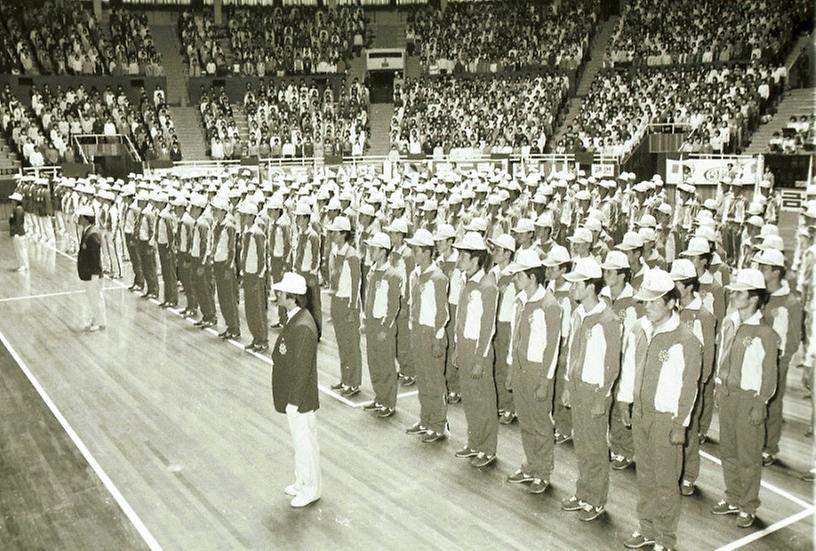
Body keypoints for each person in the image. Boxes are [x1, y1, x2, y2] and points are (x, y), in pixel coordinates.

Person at [619, 269, 702, 551]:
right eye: (645, 301)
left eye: (654, 302)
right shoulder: (639, 329)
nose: (647, 307)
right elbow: (629, 366)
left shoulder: (686, 339)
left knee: (666, 482)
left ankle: (666, 539)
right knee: (645, 476)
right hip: (641, 413)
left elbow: (689, 387)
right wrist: (624, 399)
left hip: (666, 420)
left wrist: (680, 423)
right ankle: (647, 529)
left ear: (670, 302)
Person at [712, 268, 779, 528]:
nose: (733, 296)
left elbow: (769, 374)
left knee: (748, 455)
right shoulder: (730, 322)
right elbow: (722, 357)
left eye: (739, 293)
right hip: (728, 396)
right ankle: (733, 496)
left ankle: (748, 505)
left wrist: (760, 402)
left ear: (753, 298)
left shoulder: (765, 333)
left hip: (749, 401)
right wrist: (719, 384)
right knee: (728, 450)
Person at [561, 256, 621, 522]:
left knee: (596, 446)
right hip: (577, 387)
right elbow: (573, 350)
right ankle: (583, 491)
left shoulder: (609, 320)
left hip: (596, 392)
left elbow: (612, 364)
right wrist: (566, 383)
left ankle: (596, 499)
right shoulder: (578, 314)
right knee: (582, 444)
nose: (572, 288)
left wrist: (603, 395)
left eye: (577, 284)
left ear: (591, 286)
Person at [504, 249, 562, 494]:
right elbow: (514, 336)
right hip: (519, 368)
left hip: (537, 371)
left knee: (540, 422)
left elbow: (554, 346)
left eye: (519, 275)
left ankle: (543, 470)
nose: (515, 279)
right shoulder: (521, 300)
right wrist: (510, 366)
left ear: (531, 276)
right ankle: (531, 464)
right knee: (526, 420)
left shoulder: (549, 305)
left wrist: (545, 381)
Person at [271, 272, 321, 509]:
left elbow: (301, 369)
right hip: (296, 398)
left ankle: (311, 489)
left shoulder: (302, 326)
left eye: (281, 291)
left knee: (305, 444)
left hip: (300, 399)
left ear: (291, 297)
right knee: (300, 443)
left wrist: (293, 401)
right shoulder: (296, 318)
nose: (278, 294)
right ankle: (302, 481)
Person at [451, 232, 499, 468]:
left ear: (476, 259)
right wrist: (459, 347)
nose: (459, 259)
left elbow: (487, 326)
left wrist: (480, 357)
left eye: (463, 255)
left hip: (480, 349)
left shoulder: (488, 286)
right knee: (470, 398)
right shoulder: (466, 281)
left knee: (483, 399)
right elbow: (461, 318)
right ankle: (474, 441)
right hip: (466, 346)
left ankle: (487, 447)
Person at [754, 248, 802, 467]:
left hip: (776, 360)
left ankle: (770, 446)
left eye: (763, 267)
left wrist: (782, 361)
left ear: (775, 272)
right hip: (755, 356)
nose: (759, 270)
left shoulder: (790, 302)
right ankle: (754, 440)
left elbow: (793, 338)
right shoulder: (759, 295)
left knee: (772, 401)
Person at [404, 228, 450, 443]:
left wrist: (438, 338)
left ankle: (438, 424)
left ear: (427, 252)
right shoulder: (415, 274)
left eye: (417, 249)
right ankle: (425, 419)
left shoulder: (438, 278)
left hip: (432, 333)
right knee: (422, 378)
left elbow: (443, 312)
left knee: (434, 380)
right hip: (418, 331)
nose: (414, 252)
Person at [363, 231, 402, 417]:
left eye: (374, 248)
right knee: (373, 362)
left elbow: (394, 305)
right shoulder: (372, 271)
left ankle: (389, 402)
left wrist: (385, 328)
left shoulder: (392, 275)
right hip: (371, 322)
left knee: (386, 364)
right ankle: (379, 396)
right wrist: (365, 319)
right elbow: (368, 296)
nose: (370, 251)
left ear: (383, 251)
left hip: (383, 325)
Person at [327, 215, 362, 396]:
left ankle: (354, 382)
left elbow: (357, 286)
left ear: (343, 234)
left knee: (351, 345)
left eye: (335, 232)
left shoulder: (352, 256)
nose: (332, 235)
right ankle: (345, 378)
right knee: (342, 343)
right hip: (337, 301)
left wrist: (352, 309)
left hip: (348, 303)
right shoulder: (334, 251)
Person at [76, 204, 106, 332]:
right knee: (92, 298)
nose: (78, 219)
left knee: (96, 297)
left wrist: (94, 273)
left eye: (80, 216)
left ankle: (100, 322)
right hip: (89, 272)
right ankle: (96, 319)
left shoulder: (92, 234)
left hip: (93, 273)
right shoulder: (87, 231)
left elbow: (95, 257)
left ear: (86, 218)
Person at [8, 191, 28, 272]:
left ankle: (24, 265)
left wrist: (17, 232)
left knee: (21, 250)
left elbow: (18, 222)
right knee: (18, 250)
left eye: (13, 200)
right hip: (16, 233)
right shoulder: (16, 209)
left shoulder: (19, 209)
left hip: (19, 233)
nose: (12, 201)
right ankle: (22, 264)